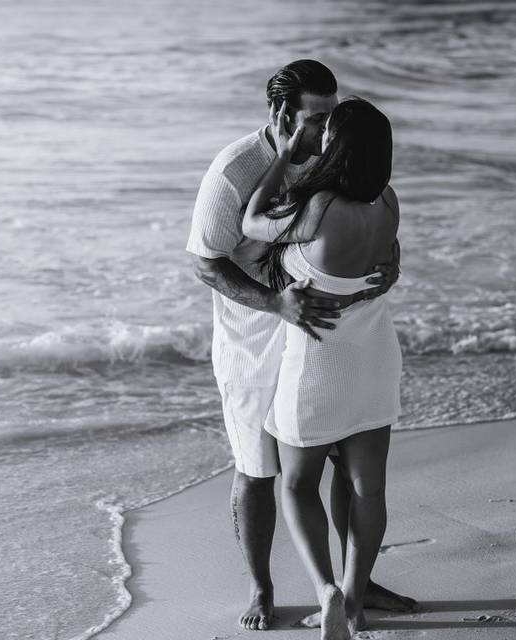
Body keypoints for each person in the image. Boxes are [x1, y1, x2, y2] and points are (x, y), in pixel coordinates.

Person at [186, 60, 416, 631]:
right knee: (258, 466)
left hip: (317, 337)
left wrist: (390, 263)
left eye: (332, 118)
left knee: (338, 458)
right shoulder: (234, 171)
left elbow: (372, 229)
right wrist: (275, 304)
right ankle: (261, 587)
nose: (326, 130)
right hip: (254, 334)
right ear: (283, 116)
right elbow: (205, 262)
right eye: (317, 120)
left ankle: (347, 585)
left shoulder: (333, 163)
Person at [241, 95, 404, 638]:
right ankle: (355, 602)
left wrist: (283, 157)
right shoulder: (387, 200)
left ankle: (326, 590)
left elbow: (253, 221)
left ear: (334, 145)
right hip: (375, 357)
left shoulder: (318, 209)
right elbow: (390, 251)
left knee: (297, 484)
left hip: (317, 363)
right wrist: (395, 263)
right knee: (368, 488)